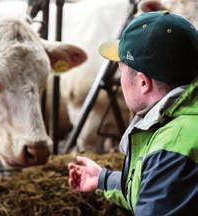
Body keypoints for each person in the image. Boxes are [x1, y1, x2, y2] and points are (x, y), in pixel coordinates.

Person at [68, 11, 198, 215]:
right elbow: (155, 189)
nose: (120, 80)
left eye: (121, 70)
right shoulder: (178, 124)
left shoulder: (174, 147)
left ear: (143, 82)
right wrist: (102, 179)